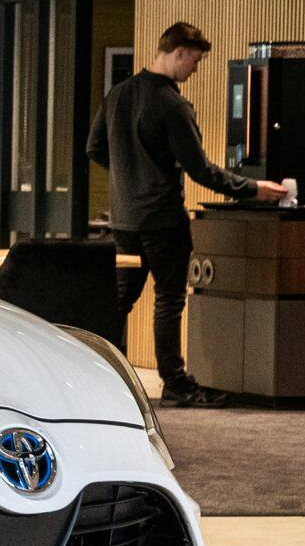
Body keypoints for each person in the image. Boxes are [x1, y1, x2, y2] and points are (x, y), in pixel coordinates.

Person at [85, 20, 283, 407]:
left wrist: (128, 176)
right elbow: (201, 170)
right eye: (195, 61)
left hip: (124, 219)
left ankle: (99, 379)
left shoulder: (118, 94)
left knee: (118, 302)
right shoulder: (171, 104)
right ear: (179, 53)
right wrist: (254, 189)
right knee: (169, 299)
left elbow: (94, 148)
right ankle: (175, 384)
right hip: (162, 219)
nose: (195, 69)